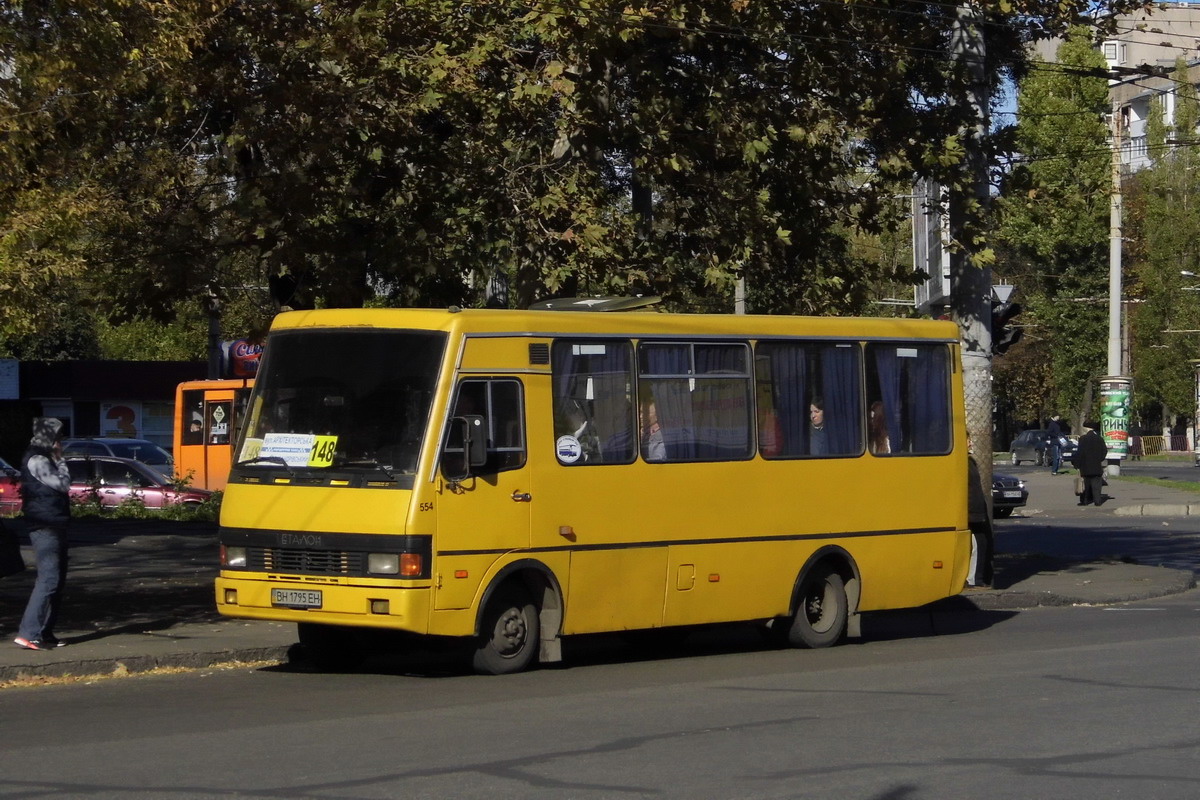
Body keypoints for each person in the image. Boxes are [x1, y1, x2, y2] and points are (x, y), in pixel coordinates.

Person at [14, 418, 72, 650]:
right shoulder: (38, 459)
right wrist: (61, 460)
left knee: (57, 579)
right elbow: (63, 484)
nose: (61, 443)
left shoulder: (40, 457)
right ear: (51, 439)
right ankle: (29, 632)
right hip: (44, 524)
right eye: (59, 439)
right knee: (49, 578)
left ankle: (45, 632)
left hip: (53, 522)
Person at [1072, 420, 1109, 507]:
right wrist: (1099, 459)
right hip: (1096, 466)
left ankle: (1085, 501)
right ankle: (1097, 501)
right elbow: (1104, 451)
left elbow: (1079, 453)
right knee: (1097, 485)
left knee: (1086, 485)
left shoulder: (1083, 439)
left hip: (1085, 467)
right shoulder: (1099, 439)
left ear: (1086, 428)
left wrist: (1076, 464)